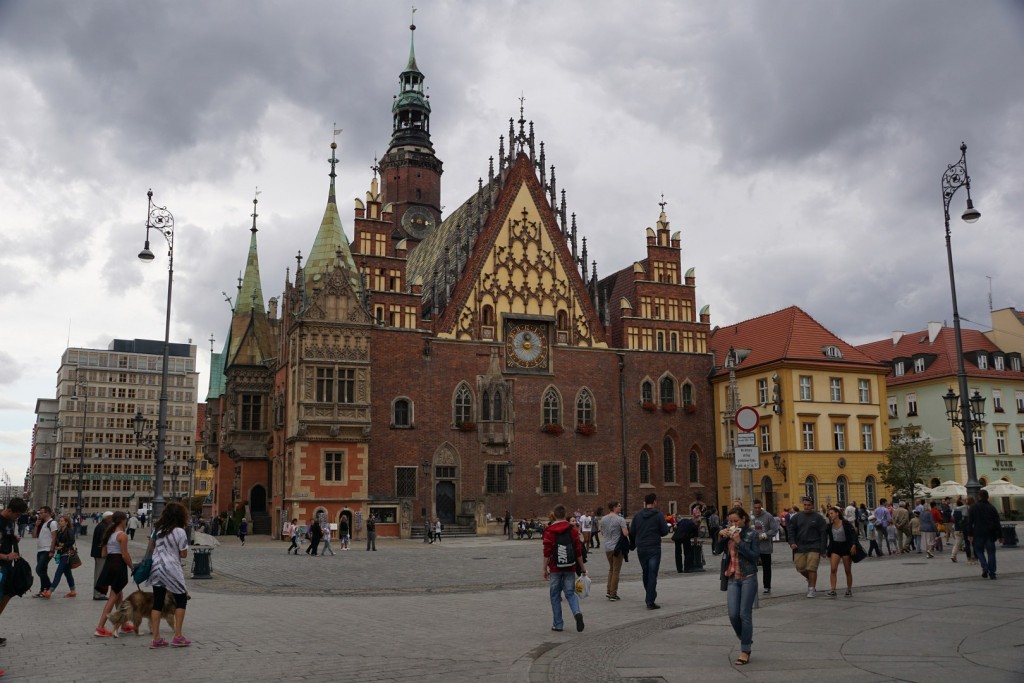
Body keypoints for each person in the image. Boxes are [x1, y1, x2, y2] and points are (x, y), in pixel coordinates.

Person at [716, 506, 759, 666]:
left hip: (748, 577)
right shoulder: (729, 534)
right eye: (730, 521)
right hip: (733, 577)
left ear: (743, 520)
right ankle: (745, 638)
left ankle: (745, 649)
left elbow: (755, 557)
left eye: (736, 521)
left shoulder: (752, 534)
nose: (733, 523)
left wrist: (739, 542)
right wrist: (720, 536)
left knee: (744, 614)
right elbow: (716, 551)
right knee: (733, 615)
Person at [147, 502, 191, 648]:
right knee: (181, 599)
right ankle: (177, 636)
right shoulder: (180, 531)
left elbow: (152, 547)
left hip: (156, 567)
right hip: (171, 568)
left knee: (157, 602)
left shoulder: (158, 530)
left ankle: (156, 638)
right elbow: (184, 554)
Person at [542, 504, 587, 632]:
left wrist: (544, 569)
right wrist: (582, 568)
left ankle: (558, 624)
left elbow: (546, 552)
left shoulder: (549, 530)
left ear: (554, 515)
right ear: (565, 514)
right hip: (570, 566)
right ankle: (577, 612)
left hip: (555, 568)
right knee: (570, 593)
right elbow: (578, 551)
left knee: (555, 595)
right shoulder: (572, 529)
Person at [94, 512, 134, 637]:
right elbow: (125, 555)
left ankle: (124, 624)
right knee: (113, 596)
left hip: (109, 564)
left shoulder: (109, 534)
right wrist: (132, 567)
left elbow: (103, 554)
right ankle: (100, 627)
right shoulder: (122, 535)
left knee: (119, 595)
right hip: (118, 565)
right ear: (122, 520)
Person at [628, 492, 669, 609]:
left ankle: (650, 595)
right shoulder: (658, 515)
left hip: (641, 547)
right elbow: (665, 531)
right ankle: (650, 600)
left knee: (646, 572)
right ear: (654, 502)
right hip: (654, 547)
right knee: (652, 573)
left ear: (645, 502)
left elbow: (632, 532)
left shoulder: (637, 515)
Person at [0, 497, 29, 647]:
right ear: (9, 510)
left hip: (6, 566)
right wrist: (6, 556)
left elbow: (6, 536)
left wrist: (13, 538)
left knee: (8, 594)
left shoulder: (10, 521)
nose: (18, 518)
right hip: (1, 564)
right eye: (17, 515)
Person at [788, 496, 827, 598]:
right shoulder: (797, 517)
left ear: (812, 505)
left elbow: (823, 534)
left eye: (808, 505)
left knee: (811, 568)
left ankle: (811, 589)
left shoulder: (818, 518)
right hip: (800, 547)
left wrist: (823, 549)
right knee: (800, 567)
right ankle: (810, 579)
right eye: (805, 505)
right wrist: (792, 542)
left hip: (814, 546)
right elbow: (791, 531)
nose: (806, 507)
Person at [966, 490, 1003, 579]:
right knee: (991, 553)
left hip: (978, 533)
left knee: (979, 551)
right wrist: (1000, 535)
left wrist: (970, 534)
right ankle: (992, 573)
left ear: (978, 497)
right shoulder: (992, 508)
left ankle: (985, 566)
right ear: (987, 497)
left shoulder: (973, 507)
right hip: (990, 533)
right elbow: (997, 522)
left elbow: (970, 522)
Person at [600, 500, 628, 600]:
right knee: (616, 570)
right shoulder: (620, 519)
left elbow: (602, 532)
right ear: (614, 507)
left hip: (607, 547)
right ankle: (613, 593)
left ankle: (608, 591)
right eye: (619, 506)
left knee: (611, 569)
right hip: (617, 547)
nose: (620, 507)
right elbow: (625, 534)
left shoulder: (603, 519)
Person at [825, 506, 856, 597]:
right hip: (835, 548)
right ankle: (833, 590)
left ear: (837, 513)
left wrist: (853, 545)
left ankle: (849, 589)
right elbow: (823, 535)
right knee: (833, 569)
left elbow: (853, 533)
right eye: (829, 514)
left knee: (847, 570)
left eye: (832, 513)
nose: (830, 515)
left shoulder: (845, 523)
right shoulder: (829, 526)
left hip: (846, 547)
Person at [750, 499, 779, 594]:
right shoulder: (750, 517)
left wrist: (764, 535)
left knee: (766, 568)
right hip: (753, 547)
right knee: (751, 567)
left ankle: (767, 586)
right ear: (753, 507)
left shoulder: (768, 516)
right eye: (755, 508)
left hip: (765, 546)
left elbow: (774, 529)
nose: (757, 510)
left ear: (761, 507)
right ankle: (751, 585)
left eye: (759, 508)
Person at [49, 514, 78, 598]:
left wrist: (63, 545)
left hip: (67, 554)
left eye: (61, 521)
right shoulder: (59, 531)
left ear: (66, 522)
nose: (59, 522)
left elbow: (72, 541)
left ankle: (50, 590)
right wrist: (56, 546)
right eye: (59, 521)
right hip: (61, 553)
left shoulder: (69, 530)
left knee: (58, 572)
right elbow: (57, 541)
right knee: (68, 573)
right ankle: (73, 591)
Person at [33, 506, 57, 599]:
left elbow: (54, 537)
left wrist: (52, 550)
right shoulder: (43, 523)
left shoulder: (52, 523)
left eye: (42, 512)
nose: (40, 514)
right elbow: (34, 536)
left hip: (47, 550)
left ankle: (49, 587)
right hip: (40, 550)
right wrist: (36, 525)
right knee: (42, 570)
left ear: (47, 513)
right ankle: (44, 590)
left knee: (39, 569)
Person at [90, 511, 113, 600]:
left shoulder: (102, 525)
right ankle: (97, 594)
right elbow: (104, 541)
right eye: (111, 518)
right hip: (100, 554)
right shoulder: (103, 527)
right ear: (107, 518)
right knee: (99, 574)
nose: (112, 520)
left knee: (99, 573)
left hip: (98, 553)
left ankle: (99, 593)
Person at [672, 509, 700, 573]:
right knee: (687, 552)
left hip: (677, 536)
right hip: (685, 537)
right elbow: (695, 539)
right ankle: (686, 568)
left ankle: (679, 569)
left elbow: (676, 526)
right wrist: (695, 545)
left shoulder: (684, 520)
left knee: (678, 553)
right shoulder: (695, 525)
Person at [950, 497, 968, 563]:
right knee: (968, 542)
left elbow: (953, 519)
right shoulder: (964, 511)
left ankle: (953, 555)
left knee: (957, 544)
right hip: (963, 529)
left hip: (956, 529)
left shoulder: (955, 512)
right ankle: (970, 555)